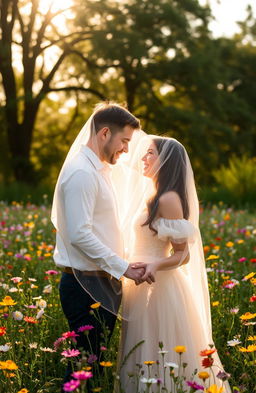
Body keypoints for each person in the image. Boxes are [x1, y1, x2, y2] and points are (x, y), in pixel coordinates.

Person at [117, 136, 231, 393]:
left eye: (150, 153)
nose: (144, 158)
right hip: (138, 282)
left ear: (166, 161)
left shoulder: (169, 199)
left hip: (158, 286)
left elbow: (183, 254)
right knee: (140, 350)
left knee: (158, 348)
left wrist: (155, 265)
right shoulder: (154, 195)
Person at [51, 102, 150, 392]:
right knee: (82, 370)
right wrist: (123, 268)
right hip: (85, 286)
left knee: (90, 366)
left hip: (100, 281)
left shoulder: (100, 170)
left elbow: (103, 228)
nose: (126, 149)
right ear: (105, 133)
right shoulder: (83, 172)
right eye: (124, 141)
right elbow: (80, 235)